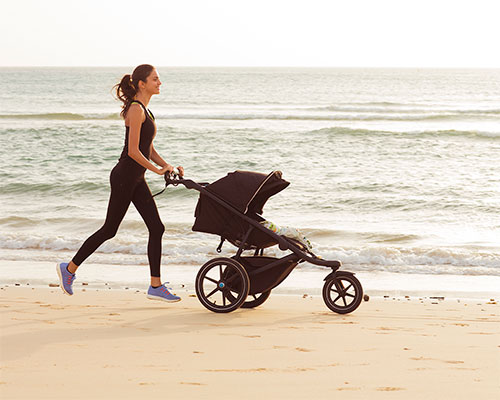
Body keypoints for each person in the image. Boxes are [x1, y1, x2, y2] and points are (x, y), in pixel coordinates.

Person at [57, 64, 182, 302]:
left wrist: (168, 166)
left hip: (135, 178)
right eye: (155, 79)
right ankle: (69, 268)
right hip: (125, 177)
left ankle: (155, 286)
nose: (160, 83)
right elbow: (134, 151)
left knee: (157, 228)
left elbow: (148, 147)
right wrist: (156, 170)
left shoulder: (145, 109)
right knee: (109, 230)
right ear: (142, 84)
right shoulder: (136, 110)